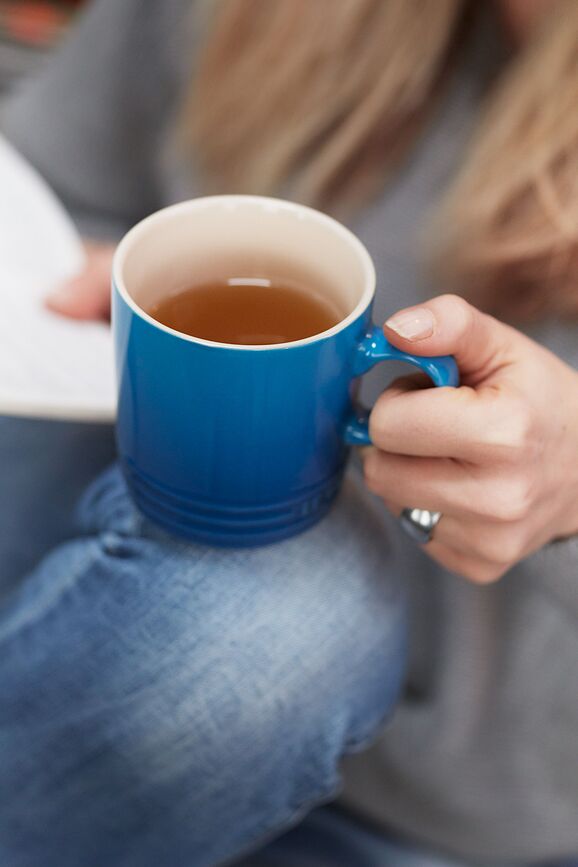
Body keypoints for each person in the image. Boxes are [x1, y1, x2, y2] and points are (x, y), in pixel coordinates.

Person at [0, 1, 577, 865]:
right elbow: (56, 185)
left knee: (285, 616)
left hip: (432, 817)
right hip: (105, 662)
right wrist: (94, 277)